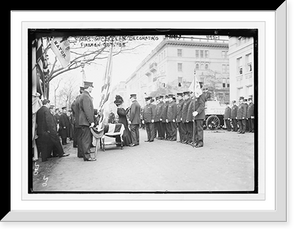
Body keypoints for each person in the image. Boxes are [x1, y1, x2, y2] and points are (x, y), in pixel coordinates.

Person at [78, 81, 96, 161]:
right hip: (86, 121)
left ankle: (85, 154)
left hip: (83, 121)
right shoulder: (86, 96)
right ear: (89, 87)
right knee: (86, 139)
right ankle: (87, 156)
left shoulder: (84, 95)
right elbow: (87, 110)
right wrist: (91, 121)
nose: (92, 88)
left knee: (85, 138)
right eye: (91, 87)